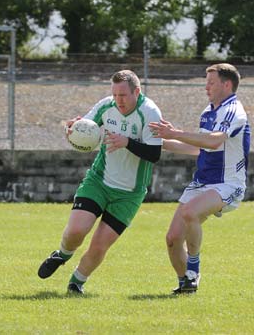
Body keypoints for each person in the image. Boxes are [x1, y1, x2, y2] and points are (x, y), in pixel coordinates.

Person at [38, 70, 163, 294]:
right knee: (76, 231)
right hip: (99, 181)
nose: (118, 100)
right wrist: (74, 129)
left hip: (129, 193)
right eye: (114, 95)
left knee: (99, 246)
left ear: (137, 91)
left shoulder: (150, 112)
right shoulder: (107, 106)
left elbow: (154, 154)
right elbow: (86, 127)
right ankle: (62, 254)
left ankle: (76, 283)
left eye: (123, 95)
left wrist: (127, 142)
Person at [149, 63, 250, 294]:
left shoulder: (234, 110)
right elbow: (198, 147)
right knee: (173, 239)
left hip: (228, 184)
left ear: (227, 84)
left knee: (189, 212)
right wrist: (160, 141)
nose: (206, 87)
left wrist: (175, 132)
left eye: (211, 82)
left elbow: (214, 141)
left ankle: (194, 267)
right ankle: (187, 283)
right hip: (201, 182)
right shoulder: (208, 112)